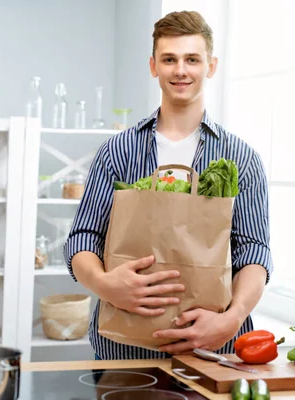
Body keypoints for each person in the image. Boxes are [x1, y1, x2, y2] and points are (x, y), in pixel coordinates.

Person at [63, 10, 273, 360]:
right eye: (169, 59)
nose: (180, 70)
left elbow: (253, 251)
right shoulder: (118, 151)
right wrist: (105, 286)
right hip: (124, 351)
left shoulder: (241, 158)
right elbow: (83, 238)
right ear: (153, 65)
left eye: (192, 59)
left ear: (211, 65)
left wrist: (233, 319)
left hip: (213, 351)